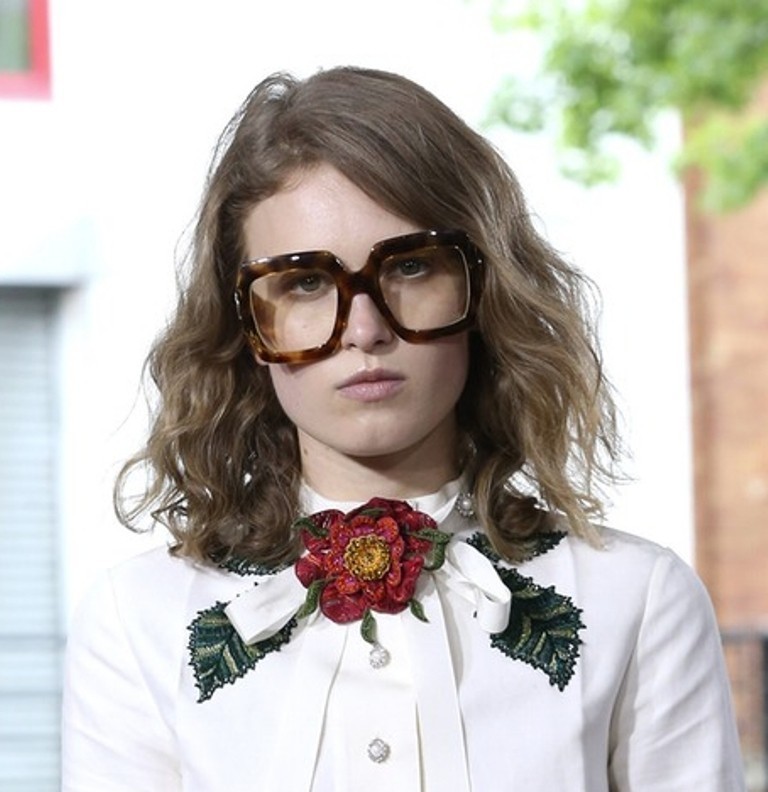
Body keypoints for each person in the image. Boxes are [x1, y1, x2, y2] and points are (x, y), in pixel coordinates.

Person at [61, 66, 745, 791]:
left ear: (483, 288)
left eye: (411, 267)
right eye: (305, 282)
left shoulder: (636, 600)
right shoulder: (140, 622)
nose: (365, 329)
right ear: (245, 328)